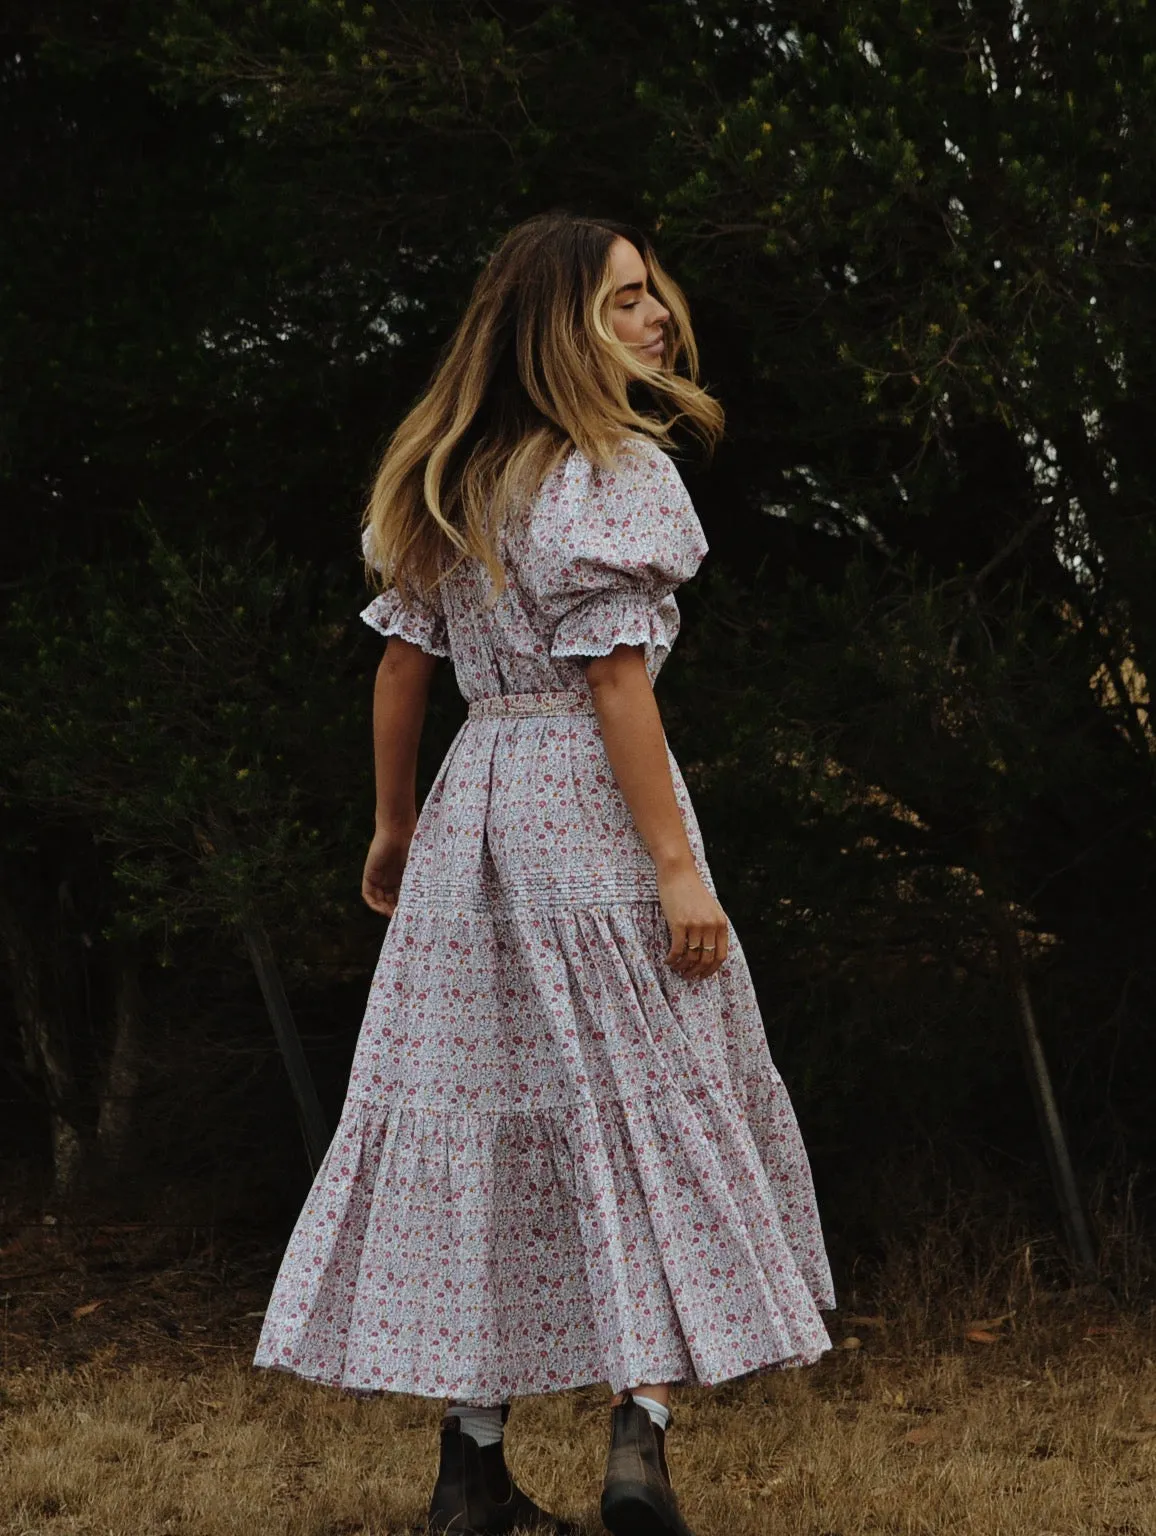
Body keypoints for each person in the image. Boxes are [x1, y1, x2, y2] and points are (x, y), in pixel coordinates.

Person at [254, 212, 834, 1536]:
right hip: (592, 813)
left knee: (488, 1111)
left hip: (476, 814)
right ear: (558, 323)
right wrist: (679, 873)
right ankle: (638, 1446)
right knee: (646, 1104)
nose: (659, 318)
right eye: (625, 300)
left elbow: (404, 670)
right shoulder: (614, 472)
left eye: (654, 296)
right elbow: (616, 682)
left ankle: (470, 1472)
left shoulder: (454, 471)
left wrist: (396, 827)